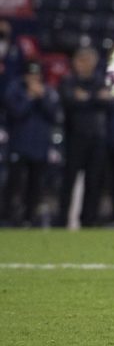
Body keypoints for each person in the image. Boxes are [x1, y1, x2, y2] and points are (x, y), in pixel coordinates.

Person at [57, 47, 111, 227]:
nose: (82, 64)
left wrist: (86, 98)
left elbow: (109, 103)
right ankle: (62, 219)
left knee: (94, 181)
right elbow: (69, 101)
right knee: (68, 180)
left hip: (97, 137)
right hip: (75, 136)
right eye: (80, 60)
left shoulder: (100, 81)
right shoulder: (68, 81)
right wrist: (96, 99)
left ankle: (89, 220)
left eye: (86, 60)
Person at [1, 61, 59, 226]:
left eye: (37, 75)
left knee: (35, 184)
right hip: (18, 144)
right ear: (24, 75)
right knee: (13, 183)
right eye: (30, 75)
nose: (34, 78)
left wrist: (41, 98)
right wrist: (30, 97)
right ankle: (6, 218)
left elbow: (54, 115)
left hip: (39, 146)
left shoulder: (47, 91)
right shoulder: (15, 89)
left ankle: (29, 218)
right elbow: (16, 112)